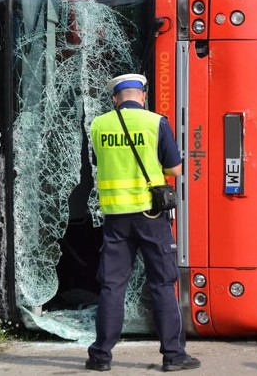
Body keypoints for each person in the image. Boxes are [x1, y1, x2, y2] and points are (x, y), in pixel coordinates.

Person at [86, 74, 201, 372]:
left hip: (116, 219)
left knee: (112, 287)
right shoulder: (155, 122)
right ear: (143, 96)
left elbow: (101, 162)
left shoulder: (99, 125)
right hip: (150, 216)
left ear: (115, 99)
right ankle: (173, 356)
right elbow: (174, 169)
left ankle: (100, 357)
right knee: (162, 284)